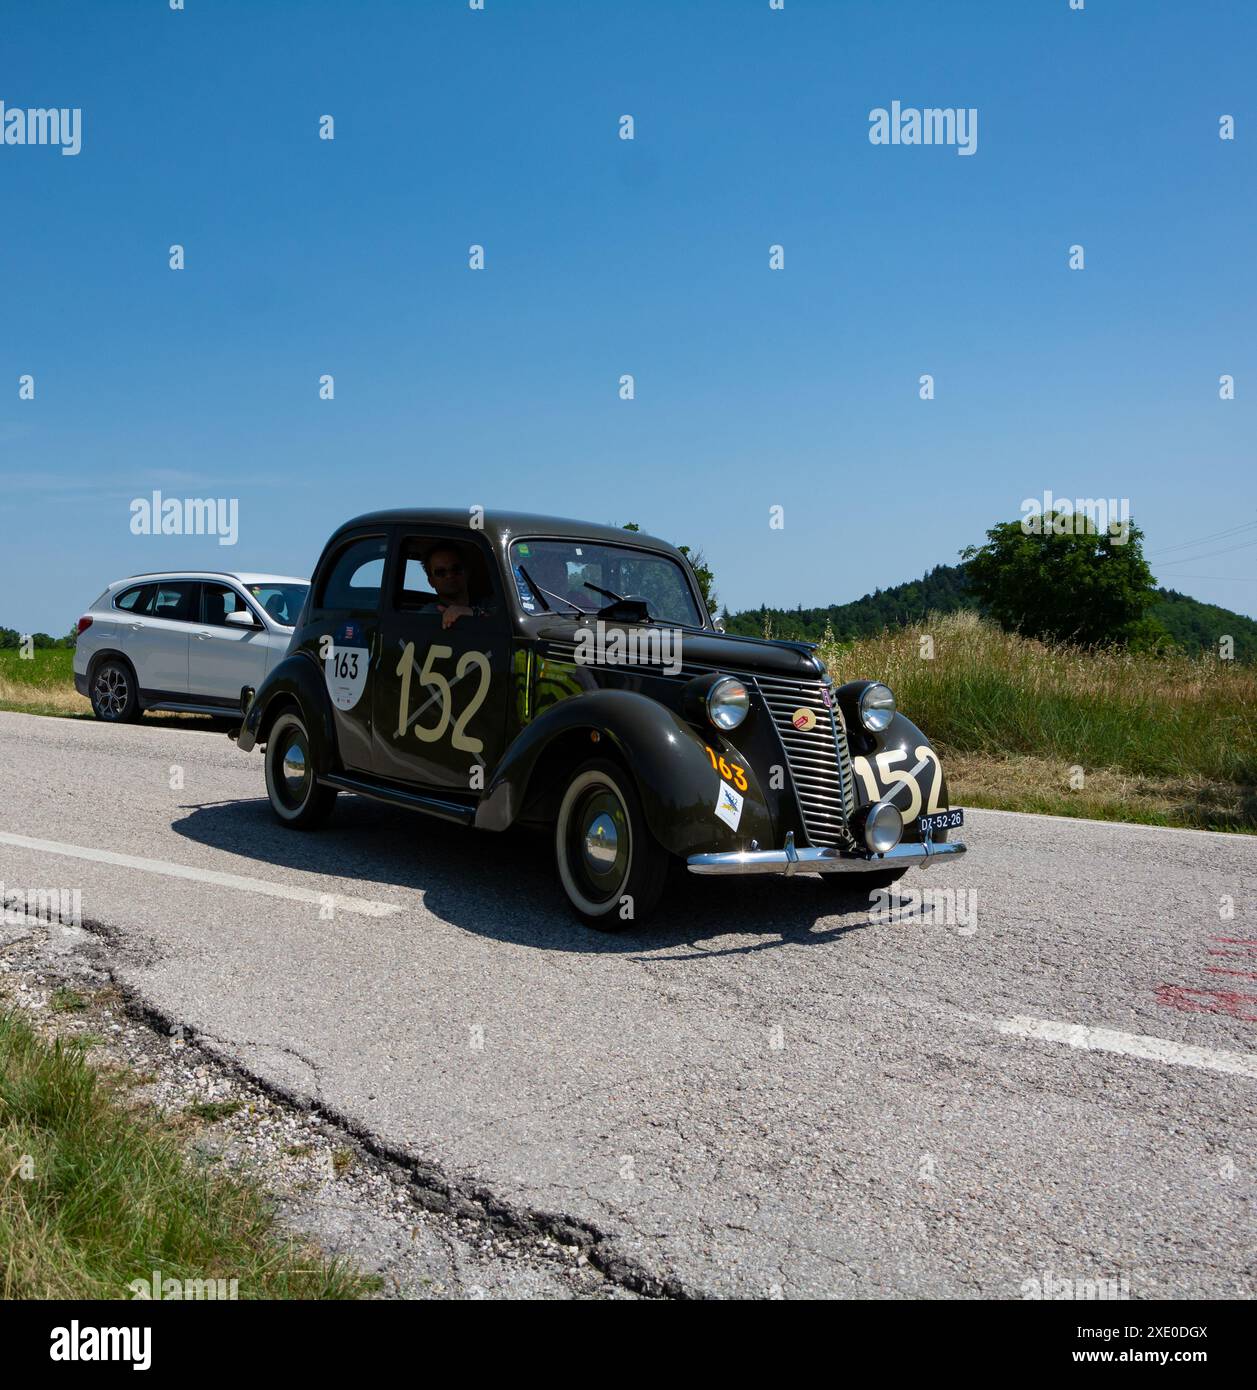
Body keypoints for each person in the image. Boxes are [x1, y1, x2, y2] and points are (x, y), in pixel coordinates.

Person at [421, 545, 493, 629]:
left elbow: (504, 625)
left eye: (456, 569)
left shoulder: (491, 605)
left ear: (467, 573)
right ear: (431, 582)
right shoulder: (428, 614)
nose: (449, 575)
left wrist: (473, 613)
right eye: (441, 572)